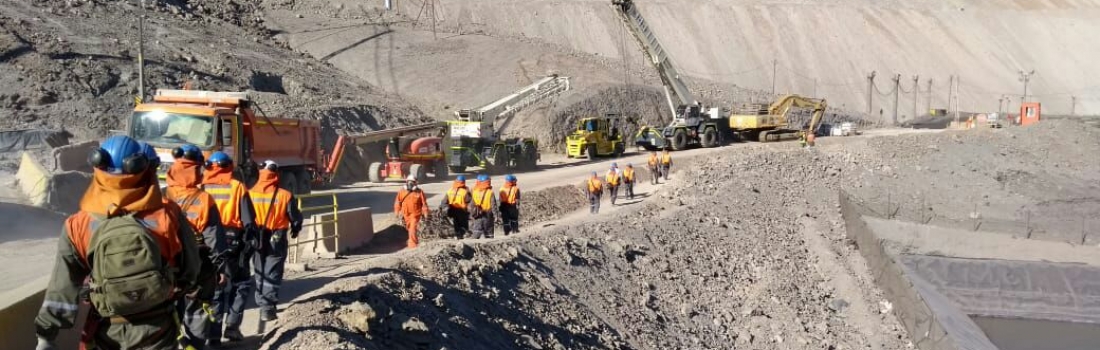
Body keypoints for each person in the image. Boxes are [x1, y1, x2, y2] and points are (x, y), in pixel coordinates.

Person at [35, 135, 201, 350]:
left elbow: (63, 285)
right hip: (158, 329)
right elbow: (191, 270)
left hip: (107, 332)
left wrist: (46, 335)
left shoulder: (78, 224)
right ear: (142, 169)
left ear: (98, 167)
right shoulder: (168, 214)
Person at [160, 144, 227, 350]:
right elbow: (214, 239)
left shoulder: (161, 196)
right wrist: (218, 269)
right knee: (197, 309)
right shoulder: (204, 200)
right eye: (199, 168)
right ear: (194, 169)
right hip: (198, 264)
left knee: (168, 311)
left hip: (168, 263)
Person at [201, 151, 256, 343]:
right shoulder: (237, 187)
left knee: (215, 287)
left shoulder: (201, 187)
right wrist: (251, 241)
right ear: (229, 166)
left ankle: (213, 335)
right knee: (240, 284)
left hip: (207, 242)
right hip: (233, 241)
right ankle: (232, 326)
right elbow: (249, 220)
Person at [247, 160, 303, 322]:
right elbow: (295, 218)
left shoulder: (250, 193)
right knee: (273, 271)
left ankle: (261, 300)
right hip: (276, 237)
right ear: (275, 174)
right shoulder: (284, 195)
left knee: (259, 269)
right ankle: (267, 308)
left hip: (256, 237)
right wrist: (296, 228)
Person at [394, 174, 430, 248]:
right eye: (409, 181)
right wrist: (397, 212)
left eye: (412, 182)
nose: (410, 183)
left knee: (413, 228)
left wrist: (426, 214)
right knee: (409, 228)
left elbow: (424, 204)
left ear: (415, 183)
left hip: (415, 214)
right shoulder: (401, 192)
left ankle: (413, 245)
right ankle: (412, 240)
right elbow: (398, 202)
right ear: (406, 182)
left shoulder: (419, 192)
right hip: (406, 214)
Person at [440, 175, 472, 239]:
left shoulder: (450, 190)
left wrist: (445, 209)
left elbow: (444, 202)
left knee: (456, 224)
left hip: (452, 210)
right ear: (463, 182)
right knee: (463, 225)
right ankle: (464, 237)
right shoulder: (465, 192)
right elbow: (469, 202)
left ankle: (457, 236)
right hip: (462, 211)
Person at [469, 174, 497, 239]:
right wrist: (496, 216)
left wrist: (471, 214)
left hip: (477, 215)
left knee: (476, 232)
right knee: (489, 234)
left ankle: (472, 245)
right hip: (488, 215)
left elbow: (471, 204)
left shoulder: (475, 191)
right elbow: (494, 206)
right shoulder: (490, 192)